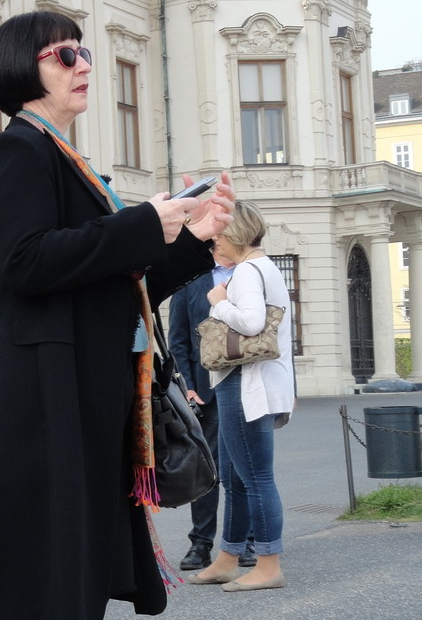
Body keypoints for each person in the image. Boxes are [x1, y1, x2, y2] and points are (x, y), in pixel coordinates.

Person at [0, 10, 235, 619]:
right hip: (34, 396)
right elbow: (27, 262)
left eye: (83, 53)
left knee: (68, 570)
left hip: (71, 387)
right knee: (38, 576)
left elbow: (111, 282)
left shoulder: (62, 156)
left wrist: (193, 238)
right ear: (22, 69)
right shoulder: (15, 150)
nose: (83, 65)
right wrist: (138, 224)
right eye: (64, 55)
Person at [187, 200, 294, 592]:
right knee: (236, 476)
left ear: (236, 232)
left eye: (217, 234)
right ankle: (229, 558)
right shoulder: (266, 267)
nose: (213, 242)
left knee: (255, 477)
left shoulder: (248, 270)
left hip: (245, 383)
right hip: (251, 382)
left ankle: (268, 564)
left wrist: (219, 303)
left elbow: (250, 323)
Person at [169, 252, 258, 572]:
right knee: (204, 470)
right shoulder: (191, 277)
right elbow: (177, 340)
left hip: (246, 385)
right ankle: (201, 544)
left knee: (243, 468)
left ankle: (247, 540)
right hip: (204, 392)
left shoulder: (251, 273)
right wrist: (187, 386)